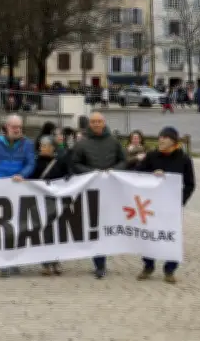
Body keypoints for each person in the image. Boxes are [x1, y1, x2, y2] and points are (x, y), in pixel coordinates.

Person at [68, 111, 127, 279]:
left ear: (104, 123)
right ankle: (99, 263)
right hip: (91, 190)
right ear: (89, 124)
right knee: (95, 226)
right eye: (93, 122)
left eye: (99, 121)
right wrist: (92, 173)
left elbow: (124, 160)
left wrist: (113, 171)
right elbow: (75, 164)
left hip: (111, 189)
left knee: (108, 224)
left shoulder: (114, 142)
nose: (96, 124)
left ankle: (104, 257)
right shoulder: (82, 144)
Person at [136, 127, 196, 284]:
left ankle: (170, 269)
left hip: (172, 206)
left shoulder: (184, 159)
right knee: (149, 235)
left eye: (165, 137)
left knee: (170, 236)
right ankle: (148, 265)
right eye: (160, 136)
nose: (161, 140)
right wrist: (151, 174)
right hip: (152, 204)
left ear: (173, 141)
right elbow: (137, 173)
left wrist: (179, 201)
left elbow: (190, 184)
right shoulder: (151, 156)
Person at [0, 115, 35, 276]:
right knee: (2, 225)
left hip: (18, 189)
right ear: (6, 127)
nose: (17, 129)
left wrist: (23, 174)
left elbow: (31, 163)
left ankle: (14, 260)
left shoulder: (27, 144)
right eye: (14, 127)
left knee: (17, 225)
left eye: (19, 127)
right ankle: (3, 261)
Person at [31, 135, 69, 275]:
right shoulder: (35, 162)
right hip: (41, 201)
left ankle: (56, 261)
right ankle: (46, 263)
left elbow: (67, 176)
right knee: (44, 232)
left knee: (57, 231)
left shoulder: (60, 162)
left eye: (45, 146)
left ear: (53, 147)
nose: (42, 148)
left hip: (56, 201)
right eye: (41, 145)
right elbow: (31, 178)